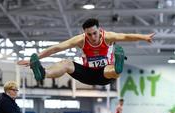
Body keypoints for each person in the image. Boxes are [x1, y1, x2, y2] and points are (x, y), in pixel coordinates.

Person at [17, 18, 154, 86]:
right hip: (87, 74)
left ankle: (118, 66)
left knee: (110, 69)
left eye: (95, 33)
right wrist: (34, 59)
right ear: (85, 33)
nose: (92, 37)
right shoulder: (80, 40)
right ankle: (43, 73)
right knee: (66, 63)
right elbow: (57, 48)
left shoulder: (108, 36)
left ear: (99, 30)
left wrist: (144, 37)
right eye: (89, 34)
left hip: (105, 74)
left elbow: (125, 36)